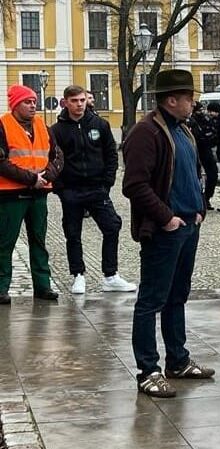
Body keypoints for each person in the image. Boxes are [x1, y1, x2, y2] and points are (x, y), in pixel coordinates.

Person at [122, 69, 214, 398]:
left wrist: (200, 207)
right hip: (166, 230)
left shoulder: (183, 130)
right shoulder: (146, 133)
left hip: (189, 226)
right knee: (151, 300)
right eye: (189, 98)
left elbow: (194, 174)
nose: (193, 103)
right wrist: (166, 218)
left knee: (177, 297)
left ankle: (178, 360)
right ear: (171, 100)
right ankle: (148, 369)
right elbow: (133, 185)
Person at [51, 85, 136, 295]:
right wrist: (61, 189)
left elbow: (111, 154)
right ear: (66, 102)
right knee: (73, 233)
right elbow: (52, 159)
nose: (79, 104)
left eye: (82, 100)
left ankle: (110, 275)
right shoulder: (57, 130)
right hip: (71, 190)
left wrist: (107, 183)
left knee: (112, 226)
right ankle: (78, 274)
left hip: (97, 188)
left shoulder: (100, 124)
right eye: (74, 101)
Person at [0, 85, 64, 305]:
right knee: (5, 243)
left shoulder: (42, 126)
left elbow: (57, 156)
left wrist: (47, 176)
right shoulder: (3, 125)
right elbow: (1, 162)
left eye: (34, 101)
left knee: (39, 241)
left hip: (39, 194)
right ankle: (1, 288)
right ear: (16, 105)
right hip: (11, 195)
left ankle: (43, 285)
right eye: (27, 102)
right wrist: (31, 179)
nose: (33, 105)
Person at [190, 103, 219, 210]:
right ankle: (197, 199)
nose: (201, 112)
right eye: (199, 110)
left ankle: (206, 198)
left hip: (205, 149)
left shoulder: (206, 119)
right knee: (194, 176)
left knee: (213, 174)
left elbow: (213, 133)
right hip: (195, 149)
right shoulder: (190, 121)